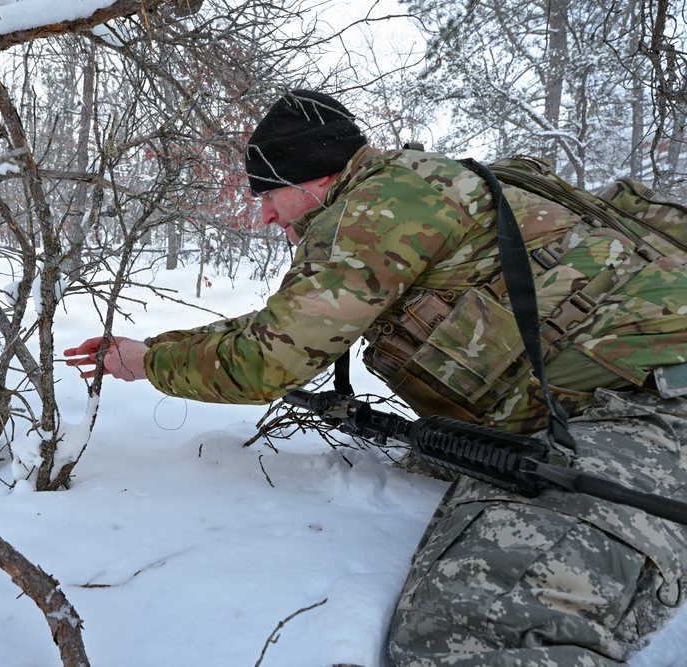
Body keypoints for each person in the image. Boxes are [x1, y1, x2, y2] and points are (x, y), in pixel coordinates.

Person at [64, 89, 687, 666]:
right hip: (610, 398)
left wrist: (150, 364)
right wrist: (154, 351)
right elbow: (284, 325)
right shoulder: (407, 190)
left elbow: (269, 359)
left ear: (312, 179)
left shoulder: (381, 209)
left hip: (653, 402)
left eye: (268, 194)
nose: (266, 218)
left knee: (476, 629)